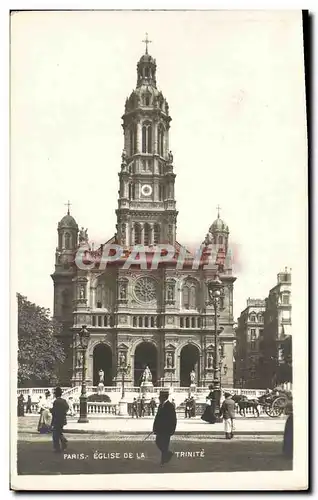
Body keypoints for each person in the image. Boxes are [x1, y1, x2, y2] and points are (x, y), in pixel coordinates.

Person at [153, 390, 177, 466]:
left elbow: (173, 419)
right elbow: (157, 418)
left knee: (165, 444)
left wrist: (172, 430)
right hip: (160, 429)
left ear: (164, 397)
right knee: (158, 442)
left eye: (160, 397)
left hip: (167, 430)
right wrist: (155, 428)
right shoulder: (161, 405)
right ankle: (168, 454)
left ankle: (163, 461)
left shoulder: (170, 406)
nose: (159, 398)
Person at [50, 387, 69, 452]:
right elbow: (67, 407)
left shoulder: (56, 402)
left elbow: (54, 412)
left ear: (56, 395)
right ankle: (63, 442)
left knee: (55, 434)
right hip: (62, 419)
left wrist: (51, 410)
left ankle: (57, 447)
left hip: (56, 420)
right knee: (59, 432)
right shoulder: (64, 401)